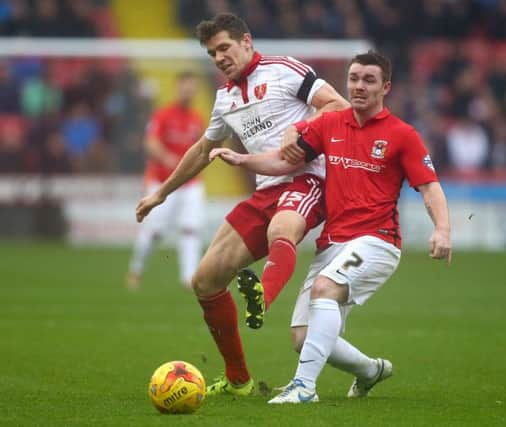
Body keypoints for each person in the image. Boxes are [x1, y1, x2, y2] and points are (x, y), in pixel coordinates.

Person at [210, 50, 452, 403]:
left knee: (325, 288)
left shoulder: (402, 135)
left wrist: (442, 229)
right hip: (333, 244)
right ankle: (371, 370)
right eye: (354, 78)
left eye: (369, 80)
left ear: (385, 87)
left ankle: (304, 388)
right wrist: (243, 159)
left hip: (376, 242)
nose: (359, 86)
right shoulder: (329, 124)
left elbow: (430, 186)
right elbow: (283, 159)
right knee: (302, 337)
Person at [135, 13, 349, 396]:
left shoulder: (285, 70)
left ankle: (261, 297)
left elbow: (337, 104)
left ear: (246, 42)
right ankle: (238, 380)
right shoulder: (225, 97)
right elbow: (203, 151)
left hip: (308, 179)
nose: (218, 57)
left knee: (282, 228)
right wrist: (161, 193)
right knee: (206, 279)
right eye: (212, 52)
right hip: (265, 190)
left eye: (224, 48)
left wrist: (301, 129)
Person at [127, 71, 206, 290]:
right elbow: (150, 143)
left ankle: (189, 278)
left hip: (190, 183)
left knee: (191, 229)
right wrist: (166, 157)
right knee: (154, 231)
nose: (188, 90)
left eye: (192, 87)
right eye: (185, 86)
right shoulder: (162, 115)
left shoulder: (196, 119)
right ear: (178, 88)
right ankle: (136, 269)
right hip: (162, 182)